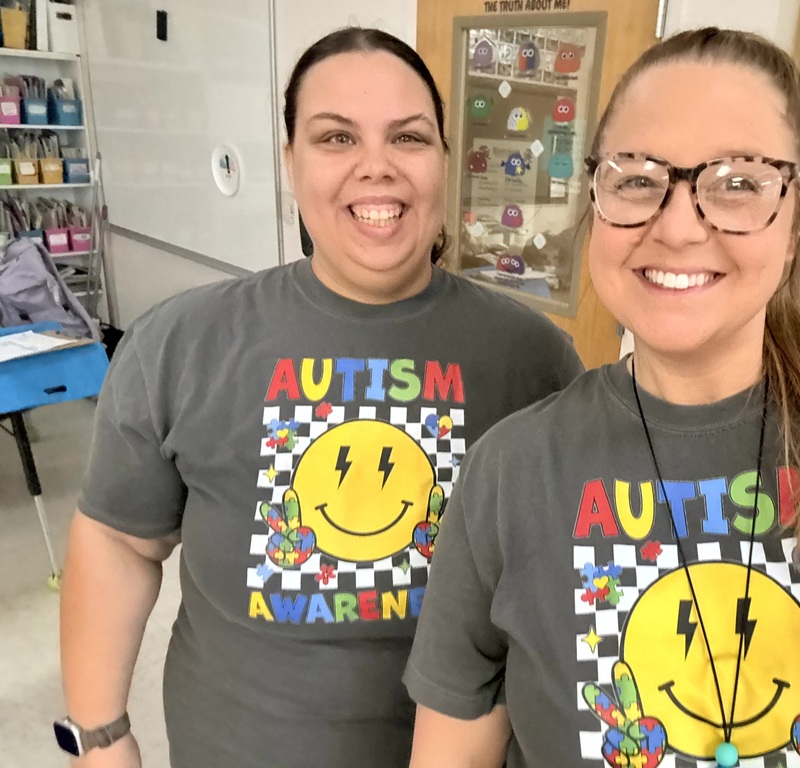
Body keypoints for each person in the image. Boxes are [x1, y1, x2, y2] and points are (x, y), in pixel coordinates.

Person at [404, 27, 800, 768]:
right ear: (595, 197)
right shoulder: (508, 473)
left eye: (738, 181)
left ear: (798, 212)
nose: (676, 225)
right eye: (637, 177)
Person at [58, 28, 583, 768]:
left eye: (408, 137)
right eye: (337, 137)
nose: (377, 167)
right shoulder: (182, 342)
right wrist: (99, 734)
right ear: (290, 163)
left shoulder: (536, 360)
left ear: (443, 162)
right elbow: (119, 539)